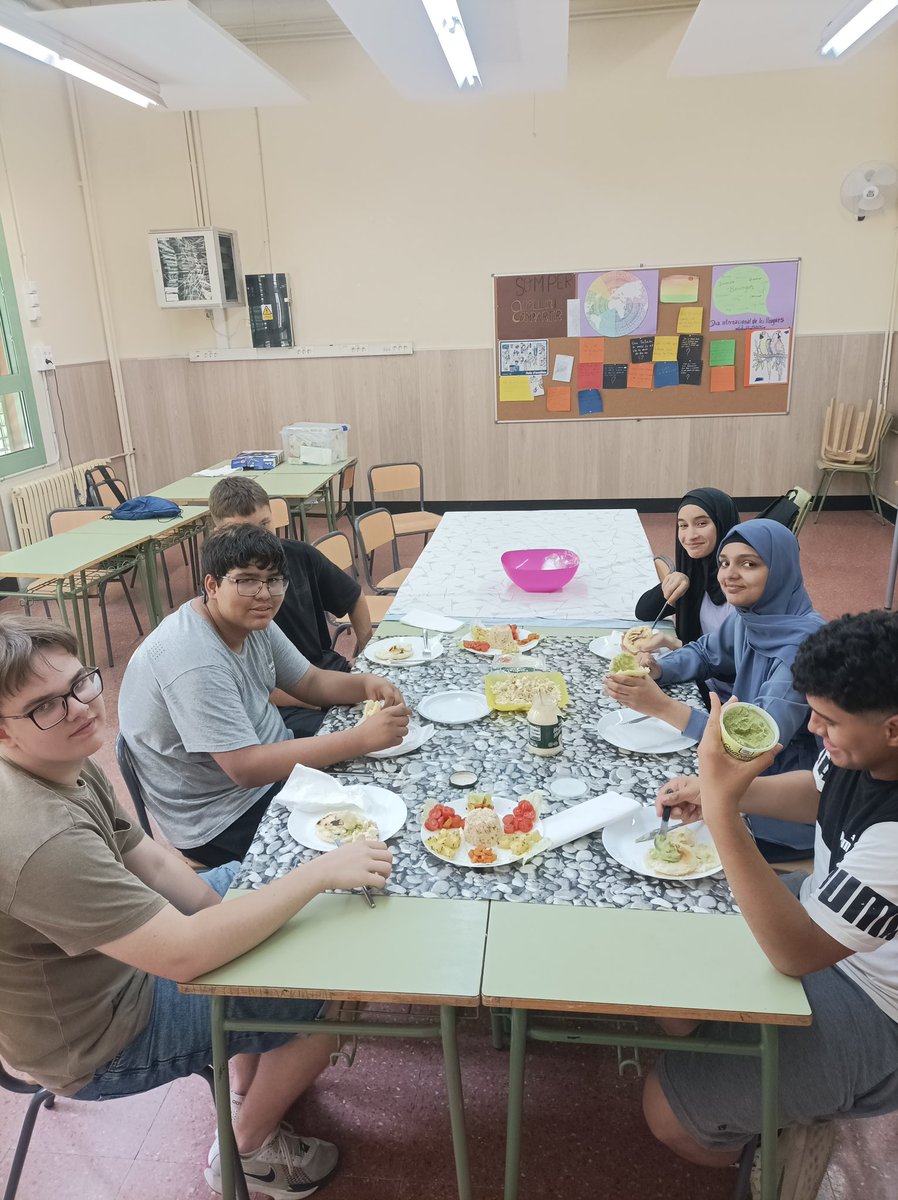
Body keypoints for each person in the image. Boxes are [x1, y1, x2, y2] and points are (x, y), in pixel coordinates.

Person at [0, 616, 393, 1198]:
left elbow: (151, 861)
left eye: (80, 683)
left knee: (280, 886)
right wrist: (309, 882)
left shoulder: (61, 759)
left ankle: (245, 1071)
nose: (81, 708)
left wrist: (228, 916)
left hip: (126, 957)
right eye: (46, 707)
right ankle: (247, 1148)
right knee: (332, 975)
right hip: (101, 1036)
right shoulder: (40, 840)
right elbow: (183, 956)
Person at [642, 610, 898, 1200]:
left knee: (666, 1112)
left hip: (875, 1002)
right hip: (819, 922)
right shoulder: (864, 749)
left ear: (892, 728)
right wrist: (724, 791)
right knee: (667, 940)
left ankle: (781, 1141)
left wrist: (728, 812)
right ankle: (765, 1089)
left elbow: (795, 952)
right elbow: (818, 788)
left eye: (829, 721)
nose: (813, 726)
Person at [119, 524, 409, 867]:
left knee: (392, 785)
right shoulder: (194, 659)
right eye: (246, 580)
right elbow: (245, 768)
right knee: (370, 843)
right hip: (221, 815)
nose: (265, 593)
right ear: (212, 585)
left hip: (271, 768)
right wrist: (359, 739)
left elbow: (310, 681)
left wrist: (364, 684)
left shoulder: (252, 621)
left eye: (273, 580)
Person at [606, 519, 823, 858]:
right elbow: (706, 653)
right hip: (737, 779)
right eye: (725, 563)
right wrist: (659, 668)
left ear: (781, 569)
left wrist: (662, 706)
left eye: (749, 563)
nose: (729, 574)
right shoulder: (751, 614)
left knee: (648, 828)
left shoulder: (804, 647)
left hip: (779, 806)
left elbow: (755, 746)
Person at [209, 475, 372, 737]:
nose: (259, 539)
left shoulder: (299, 554)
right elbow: (256, 689)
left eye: (265, 524)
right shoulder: (225, 594)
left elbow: (352, 595)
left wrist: (364, 659)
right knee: (365, 740)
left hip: (325, 679)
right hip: (287, 704)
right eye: (244, 531)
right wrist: (325, 700)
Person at [634, 487, 740, 650]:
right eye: (683, 525)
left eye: (702, 523)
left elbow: (734, 659)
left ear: (722, 523)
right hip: (694, 667)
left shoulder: (740, 585)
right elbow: (643, 612)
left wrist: (674, 644)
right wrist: (675, 580)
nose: (690, 536)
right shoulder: (697, 572)